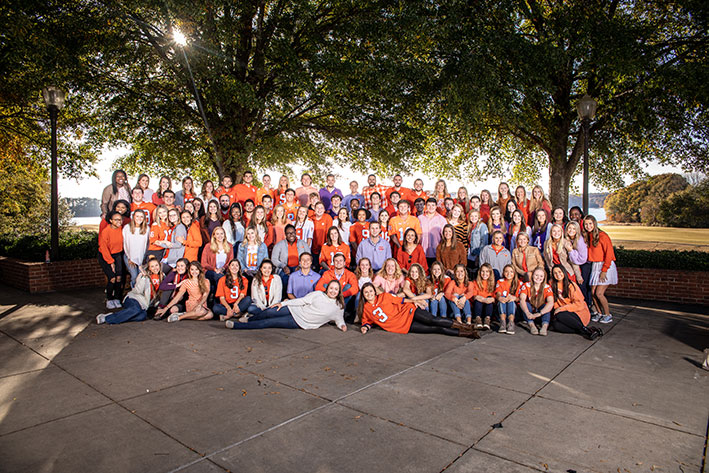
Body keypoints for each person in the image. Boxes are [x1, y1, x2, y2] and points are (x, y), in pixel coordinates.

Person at [358, 283, 478, 338]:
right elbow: (367, 322)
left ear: (374, 291)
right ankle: (466, 334)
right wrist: (365, 327)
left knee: (433, 320)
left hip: (408, 312)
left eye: (370, 291)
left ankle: (465, 327)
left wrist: (415, 301)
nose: (369, 294)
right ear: (363, 295)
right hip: (403, 327)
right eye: (366, 292)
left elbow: (402, 301)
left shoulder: (384, 296)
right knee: (435, 329)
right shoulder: (366, 309)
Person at [226, 280, 347, 331]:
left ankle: (237, 326)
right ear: (327, 289)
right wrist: (283, 303)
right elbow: (301, 301)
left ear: (339, 291)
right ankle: (249, 319)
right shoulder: (318, 294)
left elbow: (339, 319)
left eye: (336, 289)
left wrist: (342, 326)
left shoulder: (338, 306)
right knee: (270, 311)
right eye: (331, 288)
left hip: (300, 322)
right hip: (295, 309)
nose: (333, 291)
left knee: (270, 322)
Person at [96, 257, 164, 325]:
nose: (155, 268)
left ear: (159, 265)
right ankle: (106, 318)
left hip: (144, 305)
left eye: (156, 265)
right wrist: (143, 277)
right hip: (133, 298)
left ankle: (120, 315)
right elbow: (138, 291)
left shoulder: (163, 277)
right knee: (136, 310)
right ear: (149, 268)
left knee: (142, 316)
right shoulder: (143, 276)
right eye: (152, 266)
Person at [550, 264, 603, 340]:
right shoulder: (553, 285)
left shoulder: (571, 285)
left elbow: (579, 304)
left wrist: (561, 309)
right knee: (556, 325)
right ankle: (588, 330)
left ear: (564, 272)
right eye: (555, 273)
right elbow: (555, 302)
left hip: (579, 313)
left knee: (559, 315)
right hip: (566, 314)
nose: (558, 274)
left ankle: (586, 330)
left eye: (559, 272)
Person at [583, 215, 618, 324]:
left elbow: (609, 254)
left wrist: (604, 270)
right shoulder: (588, 236)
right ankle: (599, 313)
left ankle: (608, 314)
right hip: (595, 265)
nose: (588, 226)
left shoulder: (603, 236)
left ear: (594, 223)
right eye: (586, 224)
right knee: (593, 293)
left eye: (590, 223)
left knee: (599, 293)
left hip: (605, 266)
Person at [315, 252, 359, 317]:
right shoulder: (327, 273)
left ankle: (341, 311)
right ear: (333, 263)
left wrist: (340, 295)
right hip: (330, 299)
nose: (338, 262)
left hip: (343, 299)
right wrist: (331, 294)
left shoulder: (350, 274)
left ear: (344, 263)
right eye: (336, 261)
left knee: (348, 287)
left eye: (340, 261)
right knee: (325, 286)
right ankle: (329, 312)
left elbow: (355, 289)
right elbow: (318, 287)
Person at [98, 211, 125, 309]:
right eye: (116, 220)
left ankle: (117, 298)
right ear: (110, 220)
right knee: (112, 278)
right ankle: (109, 299)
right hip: (105, 256)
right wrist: (110, 262)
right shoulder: (106, 231)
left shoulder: (121, 229)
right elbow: (103, 248)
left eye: (120, 219)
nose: (119, 221)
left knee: (118, 278)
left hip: (117, 255)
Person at [519, 267, 554, 336]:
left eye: (541, 276)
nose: (538, 278)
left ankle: (544, 327)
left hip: (540, 312)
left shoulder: (547, 287)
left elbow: (551, 302)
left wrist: (540, 313)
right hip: (530, 312)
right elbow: (522, 299)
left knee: (546, 306)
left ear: (544, 277)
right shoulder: (526, 285)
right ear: (532, 276)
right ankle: (532, 325)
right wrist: (527, 312)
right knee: (526, 304)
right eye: (536, 275)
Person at [201, 226, 233, 294]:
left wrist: (223, 268)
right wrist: (215, 269)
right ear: (214, 235)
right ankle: (219, 299)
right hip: (210, 271)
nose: (220, 236)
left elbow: (231, 261)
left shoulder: (229, 246)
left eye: (221, 233)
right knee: (220, 277)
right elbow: (203, 263)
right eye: (217, 234)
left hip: (224, 270)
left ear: (224, 235)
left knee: (223, 277)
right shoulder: (208, 246)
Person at [565, 221, 590, 303]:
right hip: (575, 264)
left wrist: (571, 251)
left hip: (584, 264)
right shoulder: (567, 240)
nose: (571, 230)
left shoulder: (580, 241)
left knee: (582, 284)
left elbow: (582, 259)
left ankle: (586, 305)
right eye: (569, 228)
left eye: (574, 229)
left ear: (577, 230)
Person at [123, 209, 150, 287]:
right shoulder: (127, 228)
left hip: (141, 257)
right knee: (134, 277)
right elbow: (125, 244)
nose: (139, 218)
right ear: (133, 217)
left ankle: (140, 295)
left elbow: (147, 245)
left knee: (141, 276)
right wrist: (129, 258)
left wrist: (144, 260)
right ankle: (134, 295)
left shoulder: (147, 229)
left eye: (141, 217)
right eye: (137, 216)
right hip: (129, 256)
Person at [418, 197, 447, 267]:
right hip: (423, 251)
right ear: (425, 206)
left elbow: (445, 235)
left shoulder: (441, 219)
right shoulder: (420, 218)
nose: (431, 207)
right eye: (429, 205)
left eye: (433, 205)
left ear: (436, 206)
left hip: (436, 252)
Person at [495, 264, 520, 334]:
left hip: (514, 310)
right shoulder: (500, 281)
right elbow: (498, 292)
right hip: (501, 307)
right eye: (506, 271)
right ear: (503, 273)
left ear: (514, 273)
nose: (509, 274)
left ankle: (511, 323)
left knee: (511, 301)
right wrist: (500, 297)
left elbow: (520, 298)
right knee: (501, 301)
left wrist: (514, 298)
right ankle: (503, 322)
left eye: (511, 272)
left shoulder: (519, 283)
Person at [471, 263, 496, 330]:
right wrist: (483, 299)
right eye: (483, 271)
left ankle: (487, 320)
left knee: (489, 301)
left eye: (487, 271)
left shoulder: (493, 283)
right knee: (478, 301)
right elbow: (475, 296)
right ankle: (478, 319)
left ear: (490, 273)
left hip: (488, 306)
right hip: (478, 305)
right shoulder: (475, 282)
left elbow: (494, 298)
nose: (484, 273)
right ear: (480, 272)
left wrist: (489, 299)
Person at [467, 209, 488, 276]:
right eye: (472, 216)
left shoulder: (482, 226)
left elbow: (484, 242)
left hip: (477, 254)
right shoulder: (470, 226)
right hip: (470, 254)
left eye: (475, 216)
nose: (473, 218)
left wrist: (479, 256)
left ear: (479, 217)